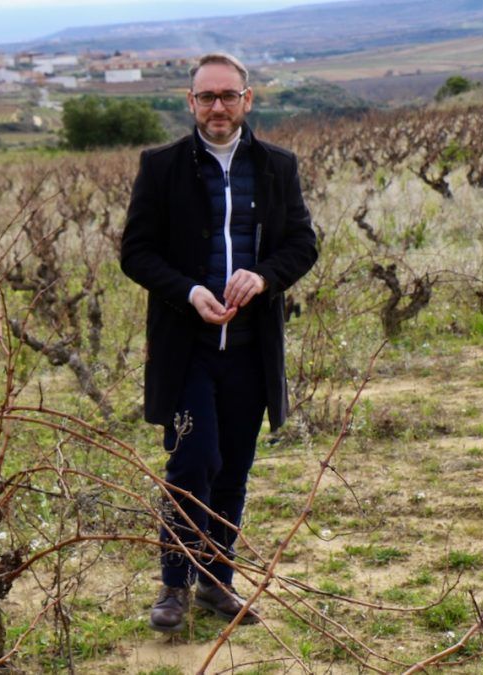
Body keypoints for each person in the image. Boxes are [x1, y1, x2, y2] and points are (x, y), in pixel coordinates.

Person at [120, 53, 318, 632]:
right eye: (206, 97)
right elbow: (135, 253)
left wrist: (265, 276)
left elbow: (303, 244)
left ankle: (217, 582)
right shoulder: (160, 167)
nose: (217, 107)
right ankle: (174, 586)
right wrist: (187, 292)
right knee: (193, 461)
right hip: (189, 350)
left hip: (252, 347)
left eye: (228, 96)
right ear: (190, 103)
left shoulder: (278, 166)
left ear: (247, 100)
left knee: (233, 467)